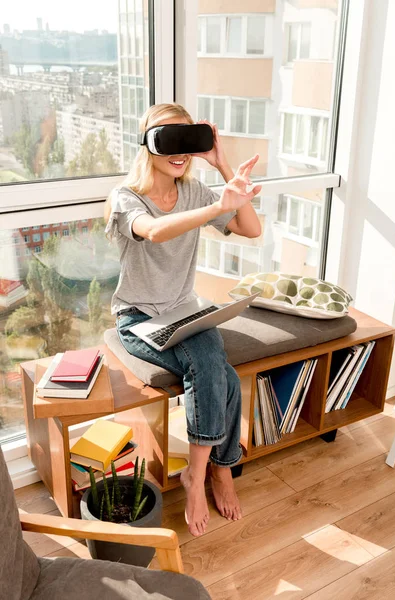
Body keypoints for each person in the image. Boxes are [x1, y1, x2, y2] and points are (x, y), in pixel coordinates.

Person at [104, 103, 262, 537]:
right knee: (217, 371)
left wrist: (225, 167)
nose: (179, 152)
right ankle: (212, 474)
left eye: (187, 141)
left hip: (183, 310)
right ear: (148, 144)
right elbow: (154, 231)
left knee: (217, 370)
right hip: (137, 319)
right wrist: (217, 208)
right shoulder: (126, 199)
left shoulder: (196, 192)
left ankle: (204, 472)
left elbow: (252, 230)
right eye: (168, 140)